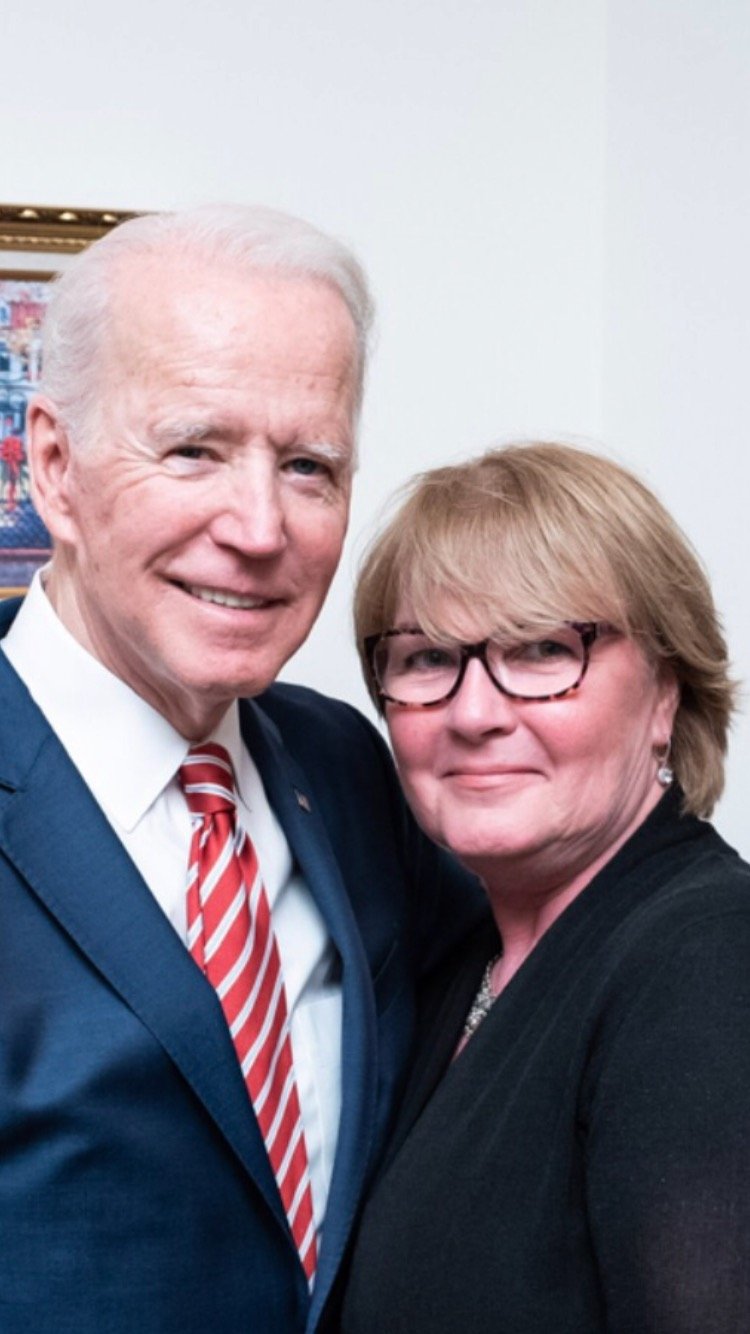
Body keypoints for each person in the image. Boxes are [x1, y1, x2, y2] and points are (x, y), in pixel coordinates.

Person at [0, 204, 482, 1334]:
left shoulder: (345, 765)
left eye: (309, 466)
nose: (261, 528)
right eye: (194, 450)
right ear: (56, 467)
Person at [340, 441, 750, 1333]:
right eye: (426, 659)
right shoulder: (462, 961)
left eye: (540, 650)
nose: (474, 713)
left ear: (665, 695)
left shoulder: (711, 964)